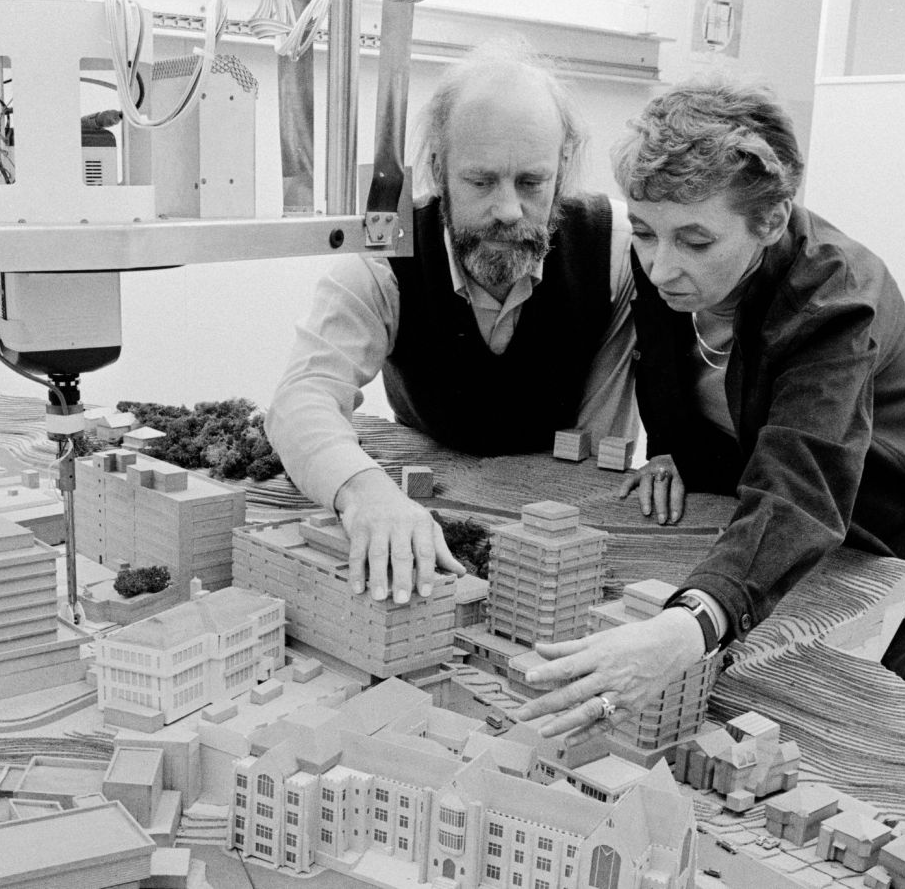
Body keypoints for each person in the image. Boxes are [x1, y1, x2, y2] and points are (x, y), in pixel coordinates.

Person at [515, 76, 905, 742]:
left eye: (696, 241)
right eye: (646, 233)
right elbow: (665, 372)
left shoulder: (839, 297)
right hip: (752, 468)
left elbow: (801, 485)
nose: (660, 267)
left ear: (769, 220)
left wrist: (688, 628)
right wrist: (668, 452)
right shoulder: (663, 254)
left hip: (876, 511)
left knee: (854, 712)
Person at [266, 40, 638, 606]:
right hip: (428, 478)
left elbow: (603, 438)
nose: (509, 210)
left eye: (532, 183)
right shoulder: (381, 261)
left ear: (563, 166)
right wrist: (366, 493)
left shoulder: (615, 250)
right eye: (481, 182)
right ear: (438, 169)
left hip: (553, 505)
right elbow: (301, 400)